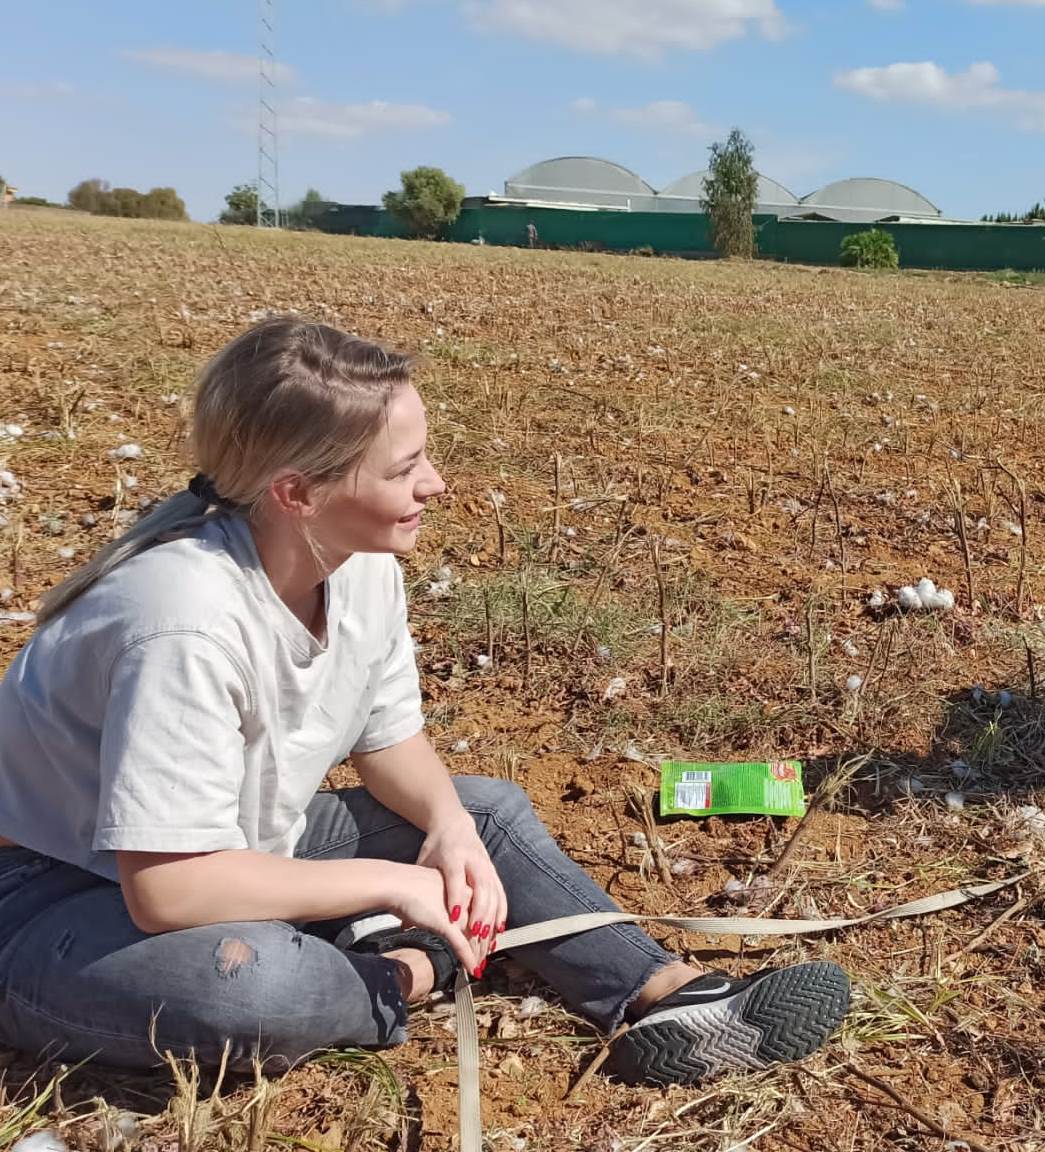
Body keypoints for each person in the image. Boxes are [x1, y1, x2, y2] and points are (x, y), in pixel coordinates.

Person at [0, 318, 850, 1082]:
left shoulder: (357, 563)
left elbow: (387, 740)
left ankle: (666, 994)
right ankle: (407, 967)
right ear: (297, 493)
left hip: (240, 843)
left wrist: (445, 828)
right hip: (50, 896)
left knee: (483, 814)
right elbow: (168, 892)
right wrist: (394, 884)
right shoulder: (180, 621)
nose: (436, 484)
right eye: (405, 468)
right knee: (248, 984)